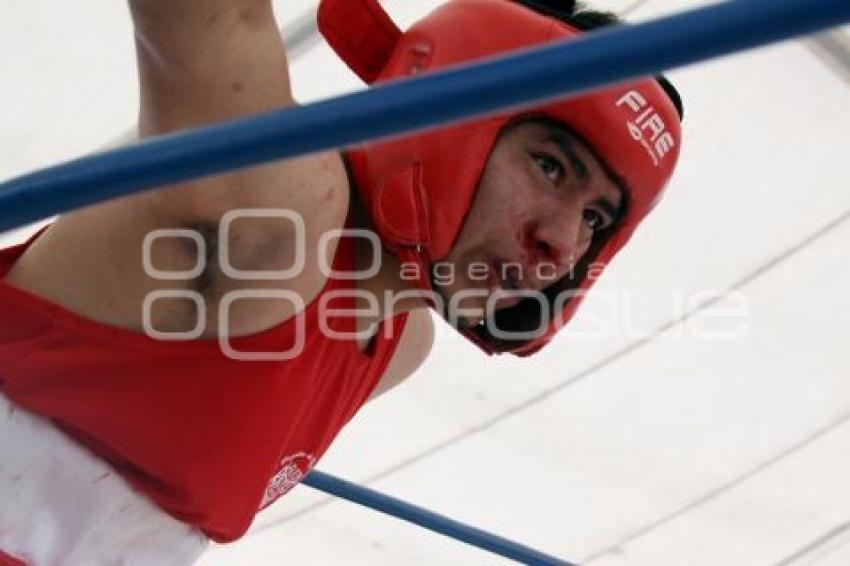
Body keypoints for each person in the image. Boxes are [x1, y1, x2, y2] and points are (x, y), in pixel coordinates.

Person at [0, 0, 683, 563]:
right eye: (551, 168)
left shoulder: (399, 340)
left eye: (596, 217)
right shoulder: (281, 210)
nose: (560, 243)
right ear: (445, 104)